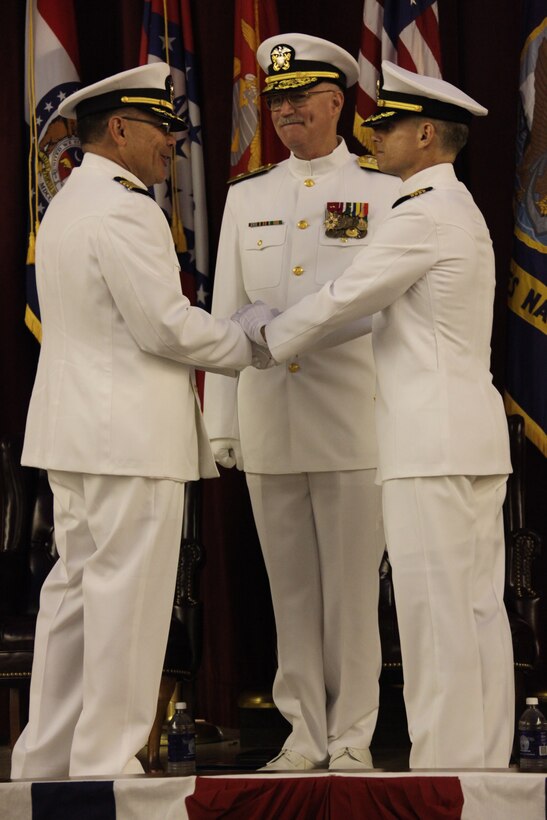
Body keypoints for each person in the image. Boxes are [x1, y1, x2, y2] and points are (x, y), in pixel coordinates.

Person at [234, 61, 515, 770]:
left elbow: (344, 298)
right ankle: (478, 769)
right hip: (463, 440)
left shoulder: (418, 213)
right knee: (475, 612)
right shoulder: (453, 206)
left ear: (425, 134)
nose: (375, 138)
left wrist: (258, 337)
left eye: (387, 127)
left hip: (429, 445)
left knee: (434, 616)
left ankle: (445, 772)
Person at [10, 63, 253, 780]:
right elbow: (164, 328)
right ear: (118, 128)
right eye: (162, 131)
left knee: (76, 599)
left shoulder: (66, 202)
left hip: (76, 431)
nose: (172, 146)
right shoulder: (125, 206)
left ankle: (46, 759)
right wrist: (254, 341)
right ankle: (106, 764)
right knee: (128, 606)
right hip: (130, 438)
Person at [204, 34, 399, 771]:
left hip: (353, 417)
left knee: (351, 590)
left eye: (298, 99)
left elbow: (385, 311)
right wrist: (221, 420)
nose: (285, 112)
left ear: (336, 102)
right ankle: (301, 734)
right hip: (268, 420)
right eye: (275, 100)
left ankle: (351, 736)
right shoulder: (246, 197)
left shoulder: (384, 192)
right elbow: (227, 314)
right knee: (288, 589)